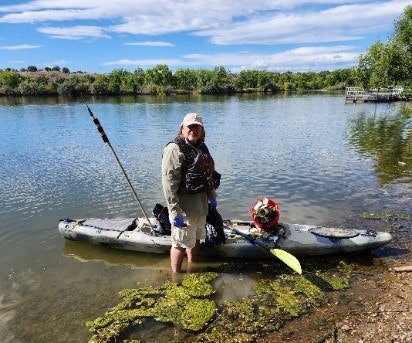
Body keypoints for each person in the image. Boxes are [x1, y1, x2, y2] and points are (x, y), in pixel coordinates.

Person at [161, 112, 218, 273]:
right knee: (179, 243)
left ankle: (192, 267)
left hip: (201, 206)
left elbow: (209, 174)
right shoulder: (174, 149)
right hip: (184, 209)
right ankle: (176, 276)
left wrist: (212, 196)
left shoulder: (202, 147)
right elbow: (168, 184)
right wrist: (174, 211)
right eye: (190, 126)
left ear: (202, 130)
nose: (194, 130)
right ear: (182, 129)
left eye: (197, 127)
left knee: (196, 239)